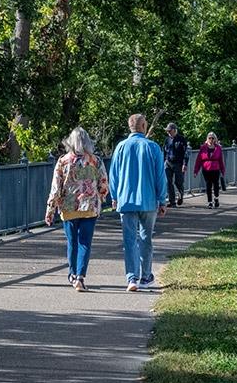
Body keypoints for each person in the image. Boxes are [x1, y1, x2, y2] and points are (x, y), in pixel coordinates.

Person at [44, 126, 109, 292]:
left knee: (72, 241)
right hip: (89, 206)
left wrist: (50, 209)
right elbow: (103, 184)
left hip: (69, 206)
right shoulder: (96, 161)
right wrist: (101, 197)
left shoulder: (63, 161)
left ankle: (72, 274)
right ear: (88, 142)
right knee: (85, 242)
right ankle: (80, 277)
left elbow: (56, 187)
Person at [109, 113, 167, 292]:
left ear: (130, 127)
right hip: (148, 200)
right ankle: (146, 275)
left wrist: (114, 196)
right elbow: (160, 176)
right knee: (146, 238)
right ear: (143, 126)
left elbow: (114, 175)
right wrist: (162, 199)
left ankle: (131, 278)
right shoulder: (153, 147)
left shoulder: (121, 147)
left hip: (126, 200)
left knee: (129, 240)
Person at [192, 131, 225, 208]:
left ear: (215, 139)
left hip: (215, 168)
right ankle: (210, 202)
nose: (211, 139)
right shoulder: (203, 148)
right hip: (206, 169)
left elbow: (220, 160)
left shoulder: (218, 148)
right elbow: (199, 160)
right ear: (207, 138)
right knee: (208, 185)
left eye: (212, 138)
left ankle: (216, 198)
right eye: (209, 138)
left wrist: (222, 170)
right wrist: (196, 171)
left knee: (216, 184)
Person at [163, 122, 188, 207]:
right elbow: (164, 151)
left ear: (174, 130)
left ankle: (181, 194)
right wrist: (163, 162)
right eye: (167, 131)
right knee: (168, 182)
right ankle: (172, 201)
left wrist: (185, 164)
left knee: (178, 182)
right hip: (168, 163)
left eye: (169, 131)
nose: (168, 132)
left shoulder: (181, 139)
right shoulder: (167, 140)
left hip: (178, 163)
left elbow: (186, 152)